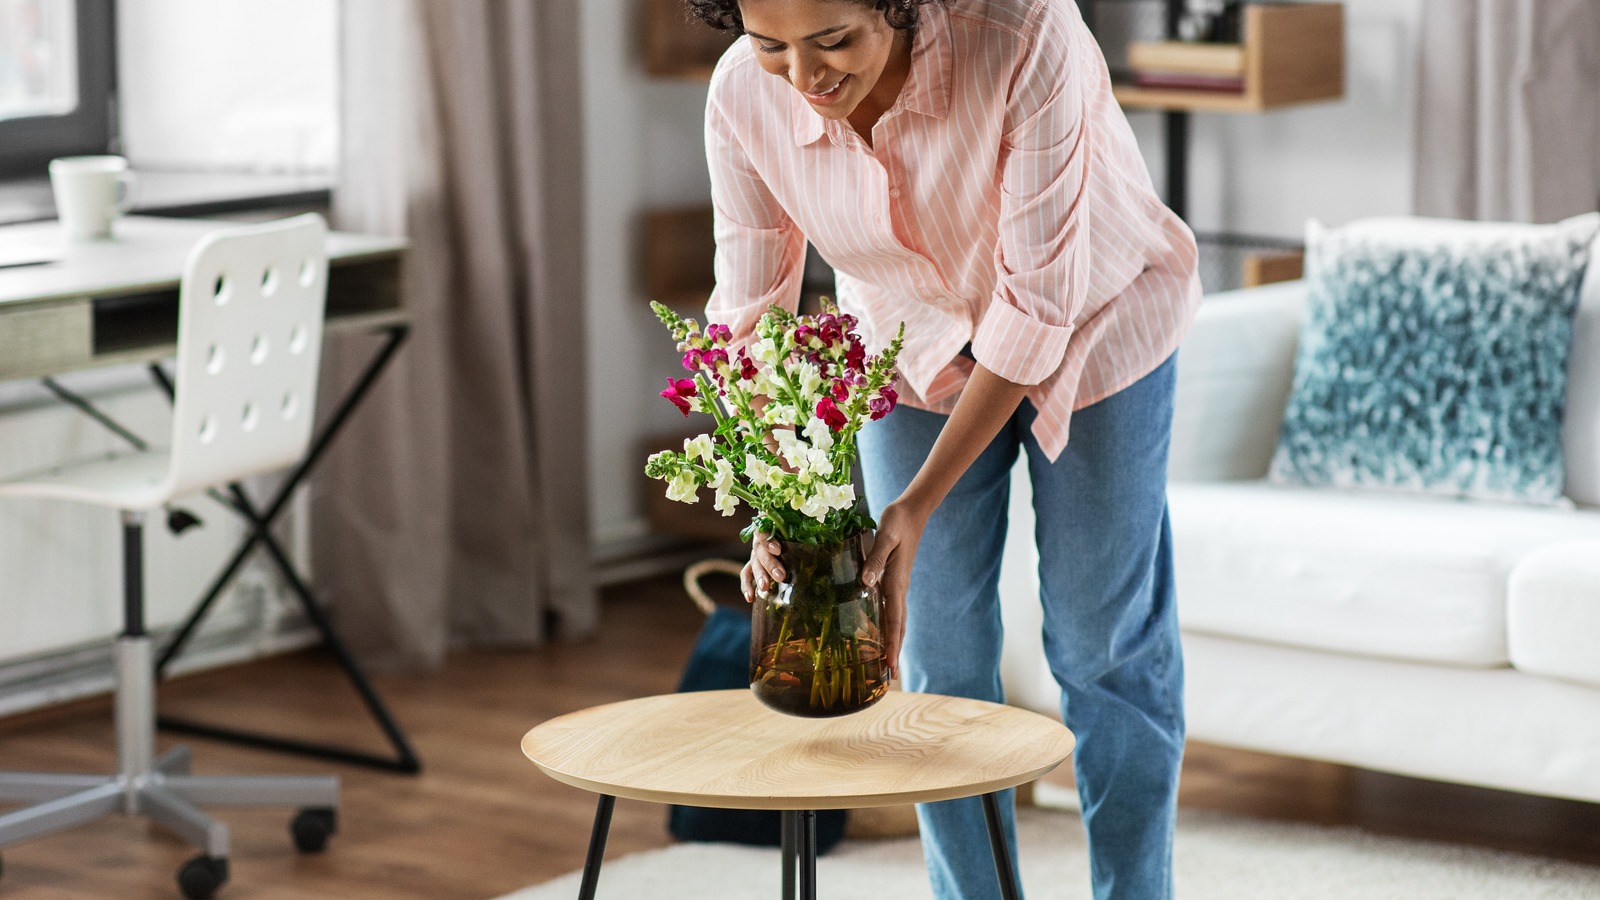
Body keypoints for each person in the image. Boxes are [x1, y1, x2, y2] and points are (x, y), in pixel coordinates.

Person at [690, 0, 1201, 897]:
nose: (805, 82)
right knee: (931, 653)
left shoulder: (1025, 33)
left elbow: (1038, 303)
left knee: (1100, 647)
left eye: (834, 41)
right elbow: (749, 315)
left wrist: (915, 504)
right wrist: (769, 496)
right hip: (908, 340)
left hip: (1098, 321)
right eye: (772, 46)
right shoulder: (742, 94)